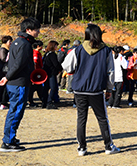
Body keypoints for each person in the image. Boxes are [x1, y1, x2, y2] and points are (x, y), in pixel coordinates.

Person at [62, 23, 119, 156]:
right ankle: (108, 146)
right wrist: (109, 89)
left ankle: (82, 147)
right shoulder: (106, 50)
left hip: (79, 89)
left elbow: (67, 66)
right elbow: (110, 71)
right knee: (102, 118)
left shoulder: (78, 49)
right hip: (96, 90)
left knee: (81, 119)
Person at [0, 17, 41, 152]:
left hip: (14, 82)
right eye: (36, 30)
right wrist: (7, 77)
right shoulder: (25, 44)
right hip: (19, 82)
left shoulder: (17, 42)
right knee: (16, 111)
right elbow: (18, 64)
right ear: (28, 30)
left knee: (14, 110)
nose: (38, 32)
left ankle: (10, 138)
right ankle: (8, 141)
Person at [0, 35, 12, 109]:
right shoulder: (3, 49)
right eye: (9, 41)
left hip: (3, 70)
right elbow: (3, 59)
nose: (11, 43)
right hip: (0, 70)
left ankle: (1, 99)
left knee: (2, 86)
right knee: (0, 86)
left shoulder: (6, 49)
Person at [42, 40, 62, 109]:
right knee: (53, 88)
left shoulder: (46, 54)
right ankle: (49, 102)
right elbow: (55, 64)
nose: (57, 47)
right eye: (56, 46)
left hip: (46, 73)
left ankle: (44, 102)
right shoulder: (52, 54)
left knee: (46, 88)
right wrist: (60, 69)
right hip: (51, 73)